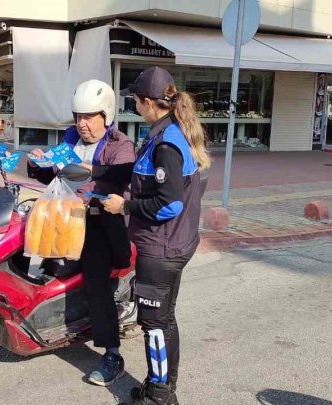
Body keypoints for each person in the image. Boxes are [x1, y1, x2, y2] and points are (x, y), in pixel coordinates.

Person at [98, 67, 211, 405]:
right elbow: (140, 174)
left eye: (135, 99)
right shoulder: (169, 132)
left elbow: (170, 203)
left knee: (155, 324)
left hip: (162, 248)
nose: (133, 104)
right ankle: (159, 384)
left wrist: (125, 207)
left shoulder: (167, 144)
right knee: (164, 318)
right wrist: (95, 170)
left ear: (149, 102)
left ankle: (161, 396)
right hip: (175, 243)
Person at [27, 79, 135, 387]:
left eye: (88, 116)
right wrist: (38, 163)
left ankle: (112, 354)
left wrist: (90, 171)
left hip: (101, 223)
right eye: (78, 115)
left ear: (106, 115)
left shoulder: (119, 144)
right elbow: (54, 171)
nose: (81, 123)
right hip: (65, 216)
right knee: (44, 263)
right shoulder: (70, 138)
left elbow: (122, 174)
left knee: (96, 282)